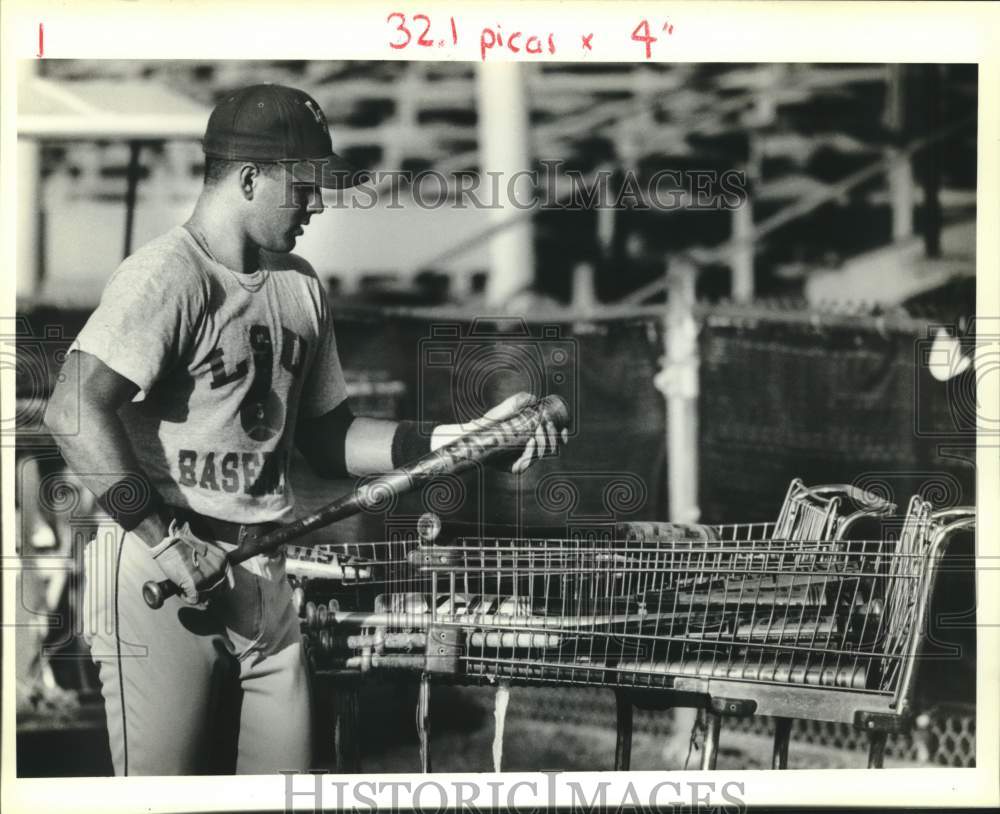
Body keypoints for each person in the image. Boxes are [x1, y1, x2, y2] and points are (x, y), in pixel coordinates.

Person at [44, 83, 566, 776]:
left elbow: (330, 439)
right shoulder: (167, 276)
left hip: (264, 566)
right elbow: (71, 412)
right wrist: (162, 538)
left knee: (289, 789)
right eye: (306, 185)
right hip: (160, 569)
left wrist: (463, 444)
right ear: (250, 178)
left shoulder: (300, 284)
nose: (318, 205)